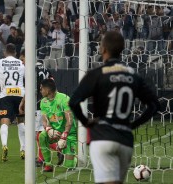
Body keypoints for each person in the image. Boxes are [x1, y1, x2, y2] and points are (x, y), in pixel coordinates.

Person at [69, 31, 160, 184]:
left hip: (103, 136)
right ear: (122, 49)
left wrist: (86, 122)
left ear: (103, 49)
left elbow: (73, 101)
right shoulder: (133, 75)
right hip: (125, 140)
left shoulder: (97, 74)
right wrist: (133, 124)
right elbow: (155, 105)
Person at [38, 79, 77, 172]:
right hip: (55, 131)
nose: (40, 91)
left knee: (69, 166)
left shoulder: (64, 99)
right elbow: (44, 119)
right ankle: (48, 164)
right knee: (41, 136)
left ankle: (73, 159)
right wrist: (48, 129)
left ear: (47, 90)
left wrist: (65, 135)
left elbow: (70, 119)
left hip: (69, 133)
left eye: (41, 89)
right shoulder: (43, 102)